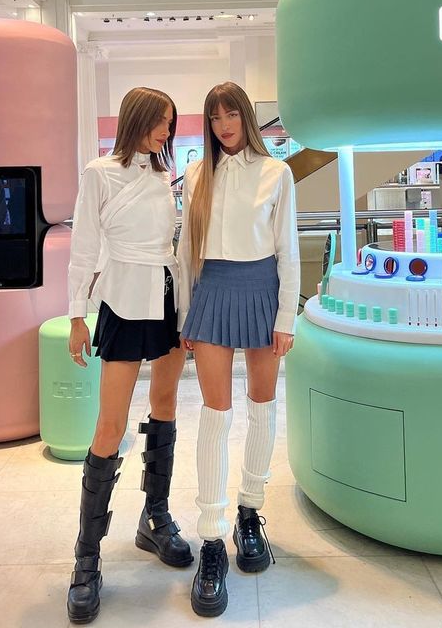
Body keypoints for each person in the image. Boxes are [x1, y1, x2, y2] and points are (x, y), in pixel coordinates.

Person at [67, 87, 192, 625]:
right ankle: (86, 558)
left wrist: (187, 309)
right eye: (161, 122)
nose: (167, 131)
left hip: (165, 296)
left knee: (165, 404)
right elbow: (85, 246)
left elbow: (175, 244)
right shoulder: (100, 172)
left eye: (169, 122)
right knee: (109, 425)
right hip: (120, 297)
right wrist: (77, 315)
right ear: (136, 120)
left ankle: (155, 517)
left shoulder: (165, 176)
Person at [177, 82, 300, 617]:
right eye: (215, 116)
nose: (224, 124)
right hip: (211, 291)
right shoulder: (198, 172)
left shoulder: (278, 172)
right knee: (214, 414)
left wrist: (286, 316)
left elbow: (287, 247)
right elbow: (186, 249)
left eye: (232, 114)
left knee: (262, 405)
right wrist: (185, 312)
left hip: (262, 290)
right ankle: (211, 538)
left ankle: (251, 513)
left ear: (246, 118)